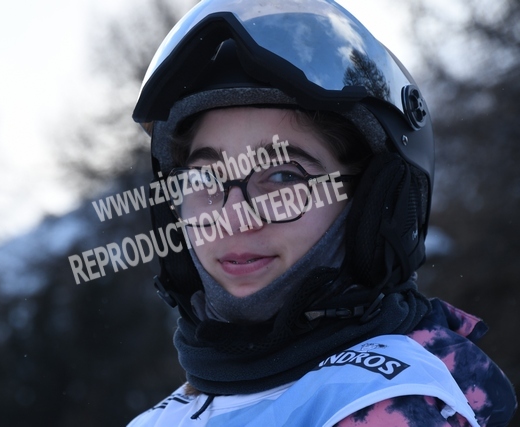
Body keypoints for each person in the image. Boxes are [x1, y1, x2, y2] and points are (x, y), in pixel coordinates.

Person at [128, 0, 517, 426]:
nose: (233, 218)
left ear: (374, 204)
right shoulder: (161, 418)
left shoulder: (388, 405)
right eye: (204, 179)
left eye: (282, 177)